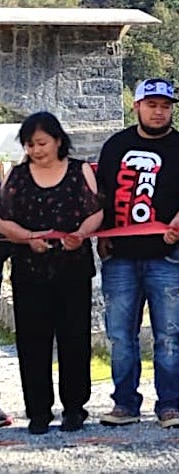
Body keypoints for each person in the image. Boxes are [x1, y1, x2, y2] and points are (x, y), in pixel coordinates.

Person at [95, 78, 179, 429]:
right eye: (152, 104)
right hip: (120, 257)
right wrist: (101, 235)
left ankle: (170, 405)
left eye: (165, 105)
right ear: (137, 106)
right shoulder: (115, 146)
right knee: (119, 333)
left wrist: (177, 224)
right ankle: (125, 403)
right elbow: (103, 197)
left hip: (167, 256)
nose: (159, 111)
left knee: (168, 333)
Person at [0, 112, 102, 434]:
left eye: (42, 143)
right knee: (32, 342)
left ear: (59, 140)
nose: (36, 150)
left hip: (72, 269)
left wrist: (81, 235)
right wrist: (29, 238)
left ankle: (75, 408)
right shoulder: (16, 176)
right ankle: (38, 412)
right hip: (30, 270)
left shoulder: (79, 170)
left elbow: (96, 212)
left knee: (74, 340)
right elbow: (3, 220)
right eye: (29, 144)